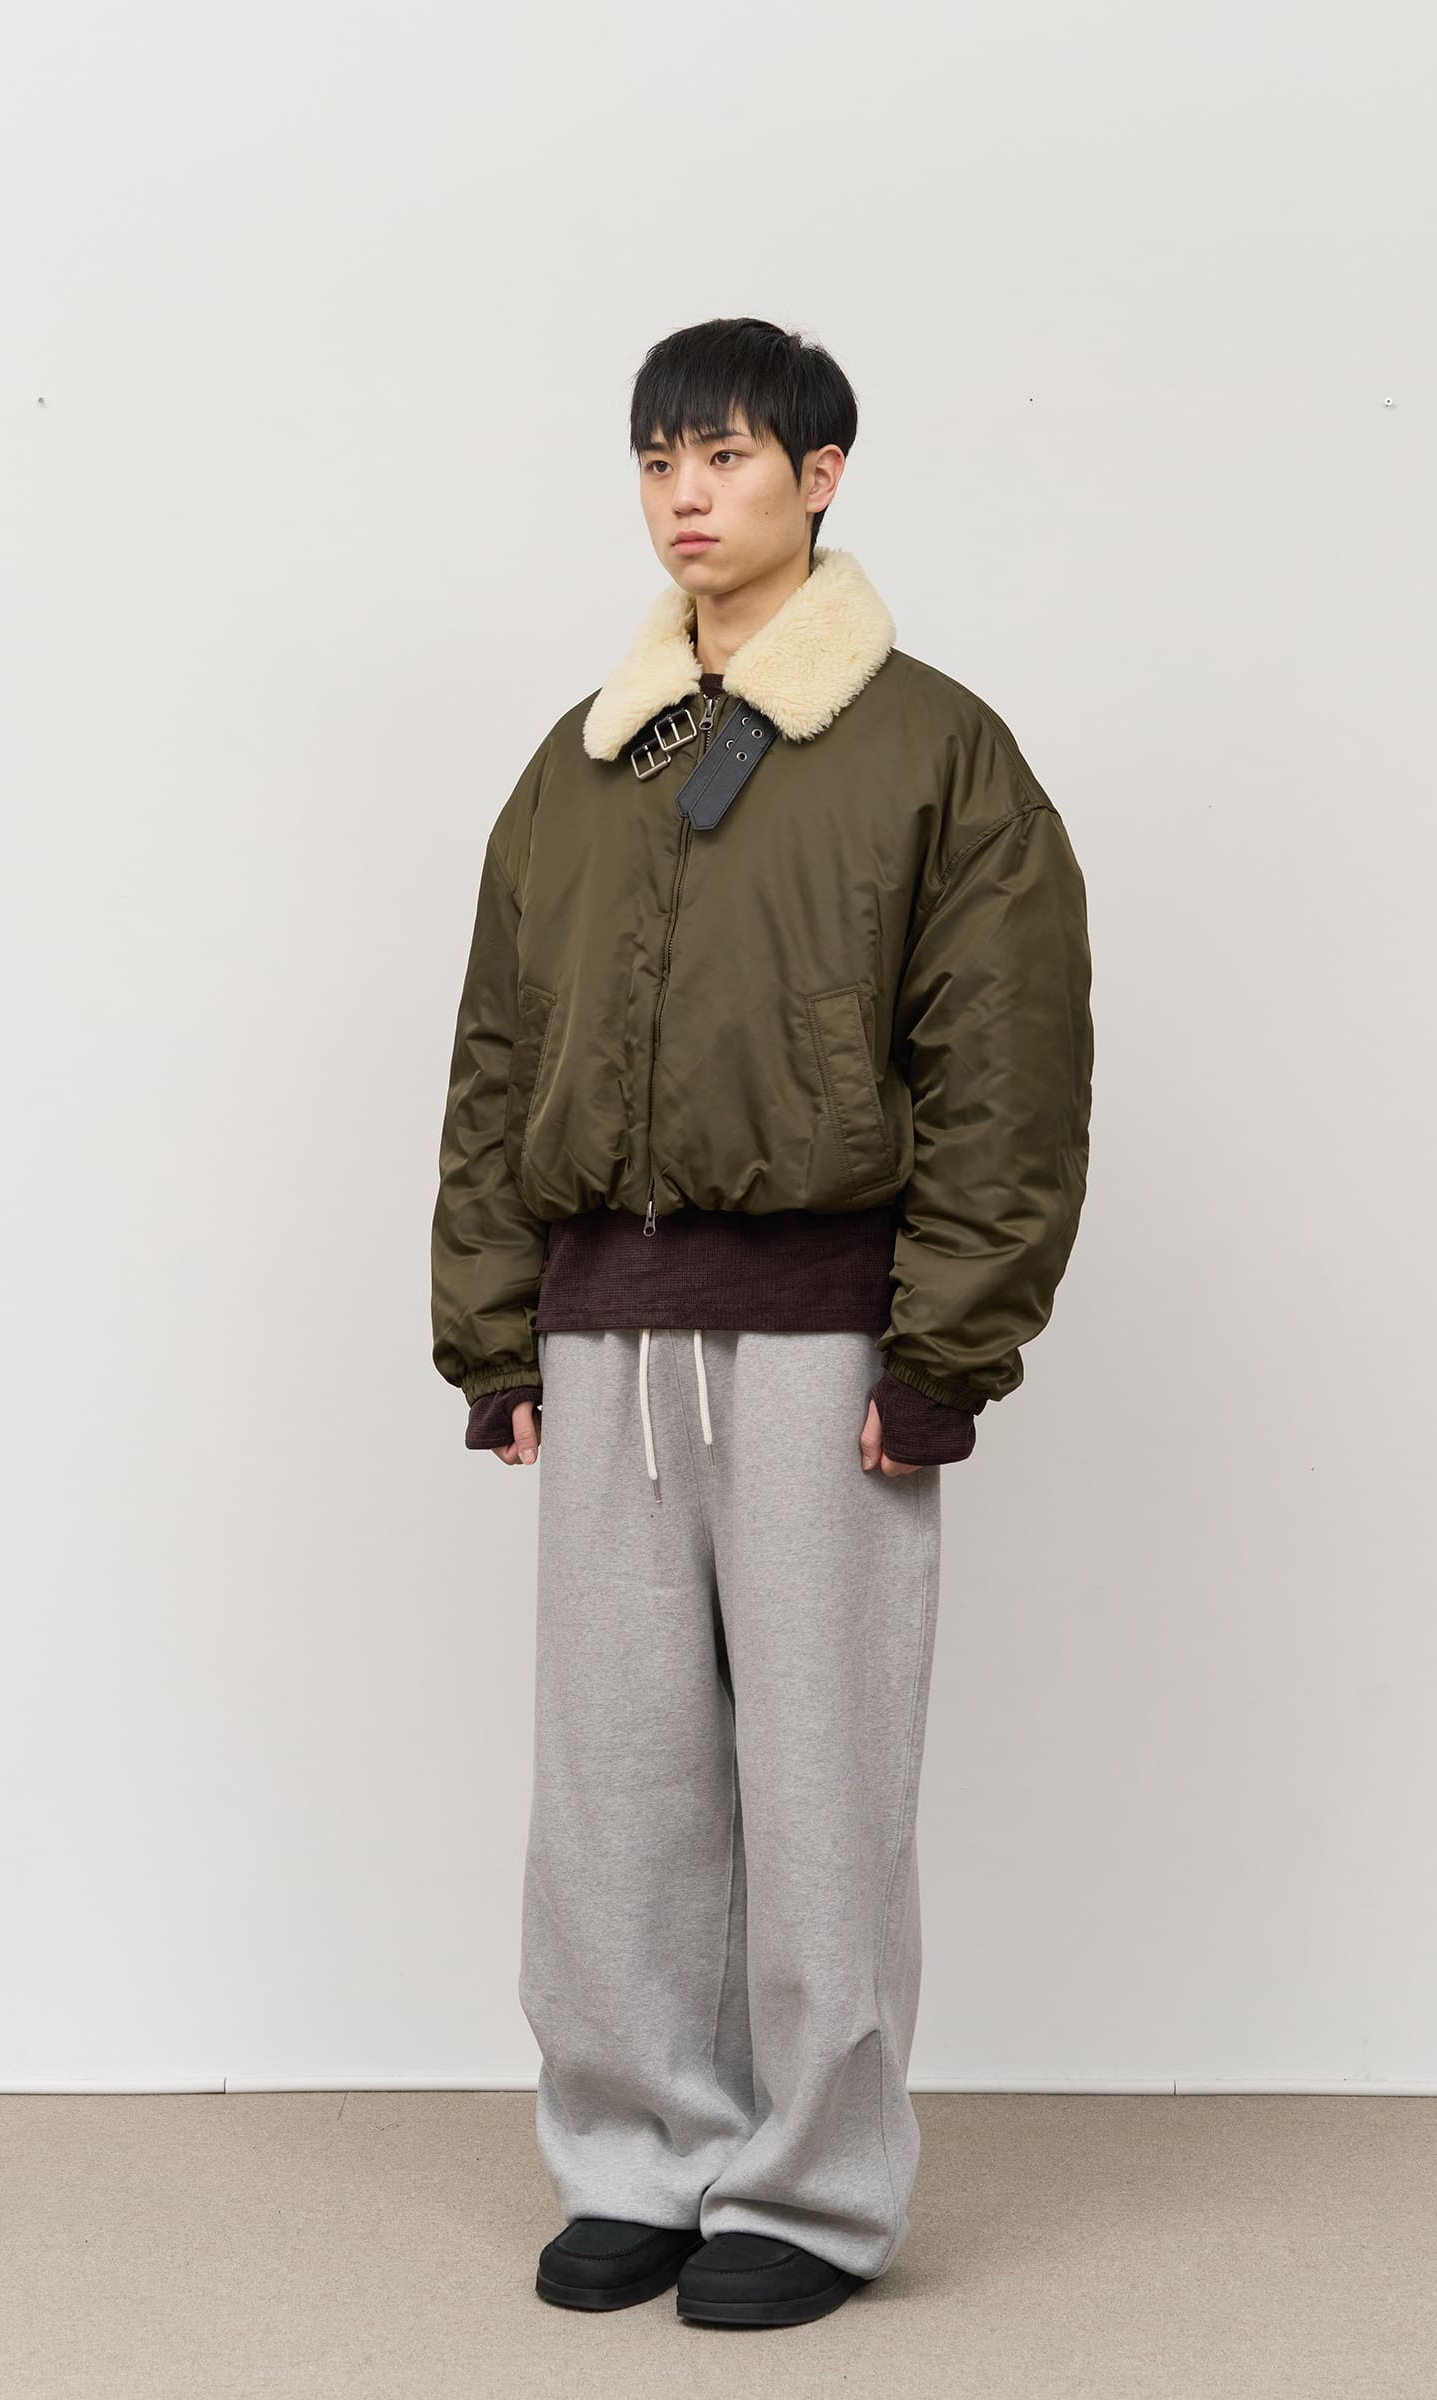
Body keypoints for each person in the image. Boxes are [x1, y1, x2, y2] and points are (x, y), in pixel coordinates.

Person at [429, 316, 1094, 2330]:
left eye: (721, 455)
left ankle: (805, 2192)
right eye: (656, 461)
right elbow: (497, 1053)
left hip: (825, 1341)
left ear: (820, 475)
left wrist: (942, 1352)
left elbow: (1005, 1065)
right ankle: (638, 2156)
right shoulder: (584, 759)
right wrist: (495, 1334)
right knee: (614, 1790)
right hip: (604, 1336)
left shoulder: (934, 749)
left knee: (819, 1786)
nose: (683, 496)